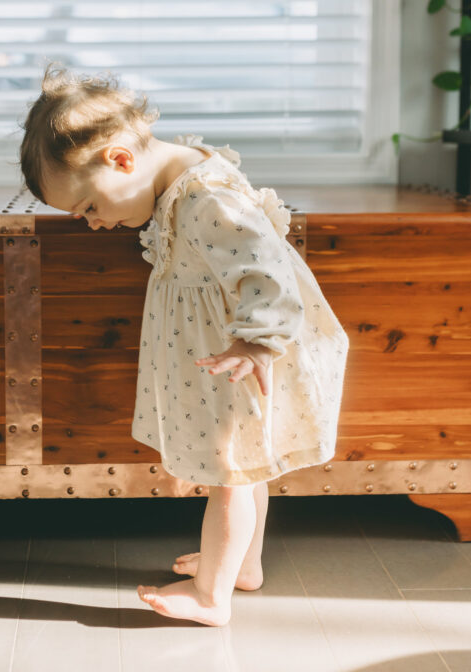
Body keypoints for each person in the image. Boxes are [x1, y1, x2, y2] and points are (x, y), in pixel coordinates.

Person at [19, 62, 350, 628]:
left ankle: (210, 596)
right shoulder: (181, 185)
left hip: (238, 357)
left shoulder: (206, 199)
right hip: (223, 353)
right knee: (246, 470)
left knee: (226, 476)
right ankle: (242, 564)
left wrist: (258, 344)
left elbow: (267, 270)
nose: (93, 224)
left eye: (90, 208)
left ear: (120, 159)